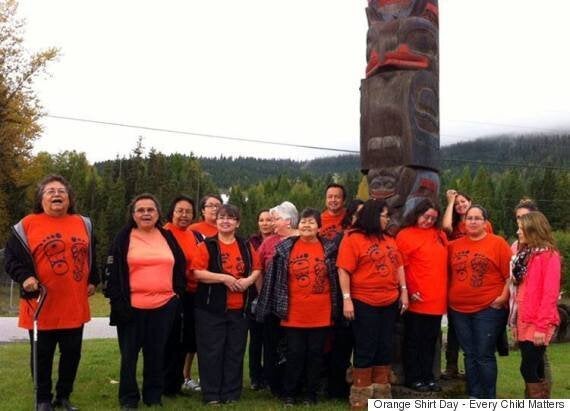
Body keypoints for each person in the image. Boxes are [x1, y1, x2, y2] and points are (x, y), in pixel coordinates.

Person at [4, 174, 99, 411]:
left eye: (62, 191)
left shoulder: (83, 223)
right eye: (50, 191)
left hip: (74, 305)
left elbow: (91, 255)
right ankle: (43, 399)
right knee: (42, 357)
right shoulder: (25, 225)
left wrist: (93, 280)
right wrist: (25, 277)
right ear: (41, 198)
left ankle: (63, 397)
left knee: (71, 356)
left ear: (69, 198)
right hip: (40, 305)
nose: (57, 194)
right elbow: (11, 259)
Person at [104, 193, 186, 409]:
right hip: (131, 308)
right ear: (133, 214)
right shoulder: (124, 237)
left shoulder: (167, 236)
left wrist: (177, 293)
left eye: (150, 209)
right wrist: (117, 302)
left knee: (156, 355)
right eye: (141, 210)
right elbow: (112, 273)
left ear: (158, 213)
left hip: (164, 307)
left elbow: (180, 265)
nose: (146, 213)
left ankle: (153, 396)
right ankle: (129, 399)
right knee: (129, 357)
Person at [257, 208, 339, 405]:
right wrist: (267, 306)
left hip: (321, 312)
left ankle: (311, 394)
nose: (306, 225)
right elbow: (272, 278)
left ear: (319, 227)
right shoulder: (286, 248)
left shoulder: (329, 249)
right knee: (294, 354)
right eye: (303, 222)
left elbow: (336, 280)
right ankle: (290, 393)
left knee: (315, 355)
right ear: (298, 225)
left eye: (311, 222)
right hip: (293, 313)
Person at [337, 199, 409, 408]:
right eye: (385, 215)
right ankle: (361, 394)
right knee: (366, 345)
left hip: (389, 300)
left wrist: (403, 292)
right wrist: (347, 299)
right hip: (363, 300)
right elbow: (343, 269)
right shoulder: (353, 238)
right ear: (373, 216)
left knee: (384, 345)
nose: (388, 219)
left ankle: (381, 391)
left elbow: (399, 267)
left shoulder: (388, 239)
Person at [191, 204, 262, 404]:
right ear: (217, 221)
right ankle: (212, 394)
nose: (225, 221)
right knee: (211, 352)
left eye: (230, 218)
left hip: (239, 309)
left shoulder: (245, 245)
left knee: (234, 352)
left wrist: (248, 281)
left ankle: (231, 394)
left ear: (237, 223)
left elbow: (257, 268)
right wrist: (224, 278)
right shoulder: (207, 245)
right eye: (222, 217)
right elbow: (197, 272)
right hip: (211, 309)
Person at [447, 205, 511, 399]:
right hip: (458, 309)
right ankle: (474, 396)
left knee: (484, 354)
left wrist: (503, 297)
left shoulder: (498, 243)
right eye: (469, 218)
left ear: (485, 222)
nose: (473, 222)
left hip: (488, 309)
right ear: (464, 222)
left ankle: (488, 397)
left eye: (477, 218)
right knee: (469, 354)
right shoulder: (454, 245)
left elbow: (510, 276)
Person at [395, 199, 447, 392]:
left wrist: (449, 203)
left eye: (433, 218)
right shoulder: (405, 235)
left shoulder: (440, 235)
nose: (429, 221)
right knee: (413, 340)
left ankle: (428, 376)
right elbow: (399, 266)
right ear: (417, 214)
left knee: (430, 341)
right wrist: (406, 291)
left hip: (437, 297)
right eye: (426, 217)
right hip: (416, 297)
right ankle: (413, 377)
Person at [441, 189, 493, 379]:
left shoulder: (482, 224)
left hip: (477, 282)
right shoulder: (454, 226)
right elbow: (445, 227)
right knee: (455, 327)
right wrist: (450, 202)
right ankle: (451, 366)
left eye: (463, 201)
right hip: (456, 280)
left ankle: (473, 369)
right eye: (458, 204)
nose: (461, 205)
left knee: (475, 331)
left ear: (471, 202)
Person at [510, 211, 561, 398]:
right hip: (524, 318)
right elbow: (518, 292)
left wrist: (541, 326)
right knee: (535, 366)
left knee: (527, 368)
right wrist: (515, 322)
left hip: (538, 322)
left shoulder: (549, 256)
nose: (518, 232)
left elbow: (550, 294)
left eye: (521, 229)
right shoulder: (525, 255)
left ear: (533, 230)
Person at [256, 201, 299, 397]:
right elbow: (259, 271)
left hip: (298, 303)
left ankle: (294, 382)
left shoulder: (302, 239)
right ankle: (274, 384)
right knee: (272, 343)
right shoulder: (268, 242)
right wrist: (262, 293)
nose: (273, 223)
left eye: (276, 219)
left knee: (293, 345)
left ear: (288, 221)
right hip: (273, 303)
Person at [162, 195, 202, 395]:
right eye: (180, 211)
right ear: (172, 212)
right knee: (170, 340)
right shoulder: (164, 233)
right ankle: (166, 384)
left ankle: (175, 383)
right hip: (172, 294)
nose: (184, 215)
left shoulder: (192, 234)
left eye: (188, 211)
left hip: (192, 293)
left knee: (183, 340)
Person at [247, 209, 274, 390]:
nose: (265, 223)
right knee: (256, 339)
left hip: (274, 297)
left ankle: (270, 375)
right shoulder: (251, 242)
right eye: (261, 220)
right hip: (254, 297)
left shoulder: (281, 240)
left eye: (268, 220)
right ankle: (255, 377)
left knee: (270, 340)